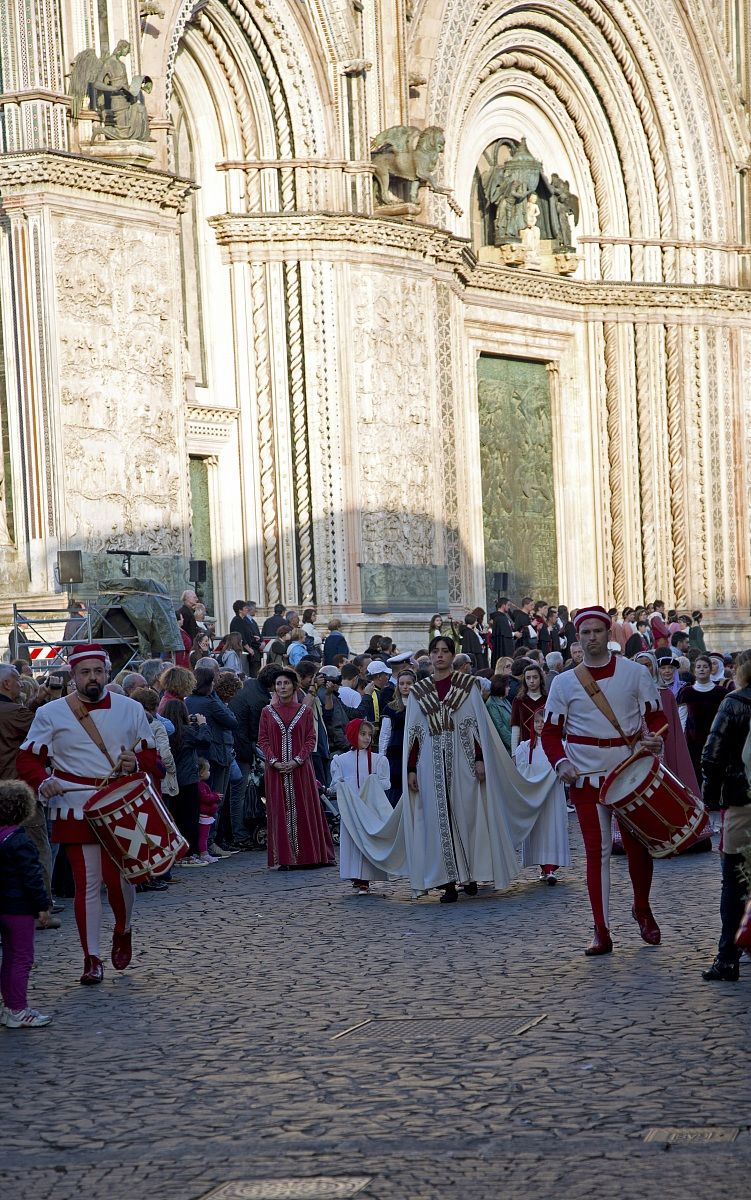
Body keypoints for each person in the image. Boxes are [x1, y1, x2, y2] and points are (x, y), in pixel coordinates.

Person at [16, 644, 158, 985]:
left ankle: (123, 929)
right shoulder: (50, 713)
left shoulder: (131, 708)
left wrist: (134, 763)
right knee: (87, 884)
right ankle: (90, 957)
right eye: (85, 672)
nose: (92, 677)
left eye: (97, 671)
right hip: (75, 807)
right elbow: (27, 760)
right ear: (73, 675)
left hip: (120, 805)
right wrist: (44, 781)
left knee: (120, 879)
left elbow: (152, 758)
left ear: (107, 673)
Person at [541, 607, 665, 956]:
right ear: (577, 638)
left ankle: (642, 908)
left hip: (630, 772)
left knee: (638, 847)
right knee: (597, 853)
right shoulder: (564, 682)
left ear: (608, 634)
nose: (591, 637)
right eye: (585, 633)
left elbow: (655, 716)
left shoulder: (634, 674)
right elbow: (550, 733)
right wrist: (560, 761)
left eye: (597, 631)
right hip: (585, 776)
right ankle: (601, 928)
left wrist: (654, 736)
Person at [700, 654, 751, 981]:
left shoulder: (733, 703)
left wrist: (710, 799)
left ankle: (728, 958)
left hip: (741, 802)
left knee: (734, 881)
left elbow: (711, 756)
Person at [257, 668, 335, 869]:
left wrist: (298, 760)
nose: (282, 687)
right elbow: (263, 740)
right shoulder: (267, 712)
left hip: (300, 769)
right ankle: (286, 858)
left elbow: (311, 739)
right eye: (279, 684)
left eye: (286, 683)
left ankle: (309, 856)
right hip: (276, 770)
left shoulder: (305, 711)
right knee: (280, 810)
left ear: (294, 686)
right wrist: (274, 761)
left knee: (304, 809)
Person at [0, 781, 52, 1028]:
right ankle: (18, 1008)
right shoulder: (21, 841)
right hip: (19, 908)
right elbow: (32, 877)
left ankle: (8, 1006)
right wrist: (42, 906)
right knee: (20, 958)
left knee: (7, 959)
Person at [331, 719, 391, 894]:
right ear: (352, 735)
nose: (367, 738)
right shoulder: (341, 761)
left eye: (369, 735)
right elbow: (335, 784)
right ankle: (356, 876)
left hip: (369, 809)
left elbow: (385, 783)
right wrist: (341, 785)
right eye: (362, 734)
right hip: (351, 810)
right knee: (353, 843)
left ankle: (365, 878)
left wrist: (373, 783)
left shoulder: (378, 759)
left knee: (368, 841)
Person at [184, 667, 237, 854]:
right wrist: (214, 696)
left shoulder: (187, 700)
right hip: (216, 755)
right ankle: (210, 842)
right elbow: (231, 720)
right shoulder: (211, 702)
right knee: (215, 799)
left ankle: (204, 843)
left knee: (200, 802)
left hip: (197, 755)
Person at [515, 710, 571, 884]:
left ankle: (551, 867)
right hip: (535, 796)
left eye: (543, 721)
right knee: (538, 831)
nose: (540, 725)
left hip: (553, 794)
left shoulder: (561, 745)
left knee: (553, 828)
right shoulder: (525, 747)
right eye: (537, 722)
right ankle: (544, 867)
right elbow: (520, 769)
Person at [677, 654, 725, 782]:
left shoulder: (721, 692)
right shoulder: (686, 692)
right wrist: (682, 739)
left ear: (710, 669)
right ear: (694, 670)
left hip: (715, 739)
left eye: (705, 666)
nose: (702, 669)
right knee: (696, 773)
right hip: (693, 740)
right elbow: (682, 717)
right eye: (698, 667)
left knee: (715, 773)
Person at [378, 670, 416, 805]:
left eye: (409, 683)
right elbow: (385, 735)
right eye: (402, 684)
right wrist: (381, 758)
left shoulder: (420, 706)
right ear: (397, 686)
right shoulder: (390, 708)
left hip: (414, 751)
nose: (405, 686)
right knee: (396, 789)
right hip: (395, 752)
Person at [511, 664, 547, 752]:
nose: (531, 681)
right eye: (528, 678)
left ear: (540, 678)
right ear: (524, 680)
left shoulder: (548, 699)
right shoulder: (519, 700)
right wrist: (514, 753)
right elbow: (515, 728)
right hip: (525, 748)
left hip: (546, 747)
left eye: (535, 677)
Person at [196, 758, 222, 864]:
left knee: (204, 835)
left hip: (206, 813)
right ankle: (204, 853)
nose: (209, 772)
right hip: (205, 814)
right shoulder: (201, 785)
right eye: (208, 770)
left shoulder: (201, 785)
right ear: (201, 773)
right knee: (204, 835)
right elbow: (205, 798)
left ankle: (203, 852)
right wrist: (215, 796)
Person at [486, 675, 512, 753]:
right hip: (505, 748)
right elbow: (500, 727)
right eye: (507, 686)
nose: (509, 688)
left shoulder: (504, 700)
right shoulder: (492, 704)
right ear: (500, 686)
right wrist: (513, 743)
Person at [490, 598, 515, 666]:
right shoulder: (500, 618)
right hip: (503, 647)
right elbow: (505, 633)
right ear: (503, 605)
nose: (509, 607)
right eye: (508, 605)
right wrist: (515, 634)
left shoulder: (500, 617)